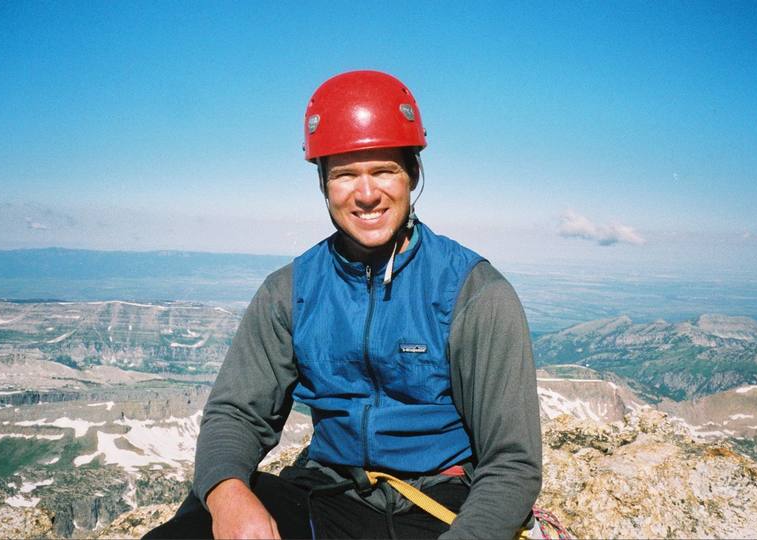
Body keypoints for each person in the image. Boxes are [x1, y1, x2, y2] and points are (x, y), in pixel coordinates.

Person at [145, 70, 541, 539]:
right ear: (323, 183)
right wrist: (229, 496)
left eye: (383, 170)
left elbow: (512, 461)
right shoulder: (291, 289)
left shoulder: (474, 292)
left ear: (412, 174)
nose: (367, 193)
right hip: (327, 496)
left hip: (441, 506)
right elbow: (236, 413)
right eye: (346, 174)